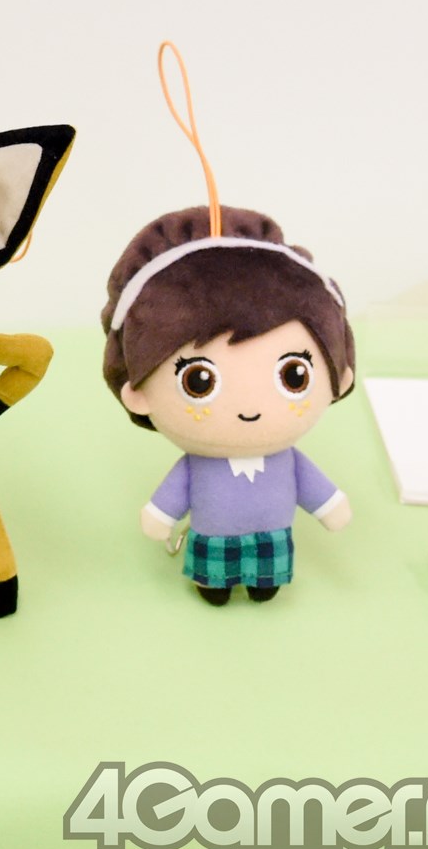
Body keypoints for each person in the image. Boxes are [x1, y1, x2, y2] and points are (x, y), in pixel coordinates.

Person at [102, 207, 356, 606]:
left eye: (294, 376)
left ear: (338, 377)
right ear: (138, 393)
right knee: (215, 584)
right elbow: (173, 495)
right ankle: (214, 584)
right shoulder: (197, 465)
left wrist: (331, 507)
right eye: (198, 381)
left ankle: (263, 582)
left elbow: (315, 489)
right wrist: (161, 515)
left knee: (266, 580)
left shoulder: (287, 461)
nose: (249, 406)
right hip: (212, 542)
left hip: (273, 539)